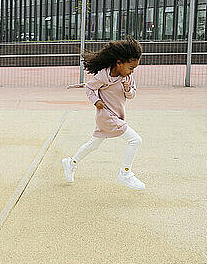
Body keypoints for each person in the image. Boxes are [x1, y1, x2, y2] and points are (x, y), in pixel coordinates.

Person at [62, 36, 145, 190]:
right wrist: (95, 101)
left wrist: (127, 88)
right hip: (106, 117)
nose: (131, 71)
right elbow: (89, 87)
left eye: (134, 69)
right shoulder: (103, 76)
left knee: (93, 145)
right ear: (119, 62)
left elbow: (132, 95)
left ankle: (71, 163)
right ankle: (125, 174)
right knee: (135, 140)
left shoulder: (128, 77)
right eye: (131, 67)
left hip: (116, 116)